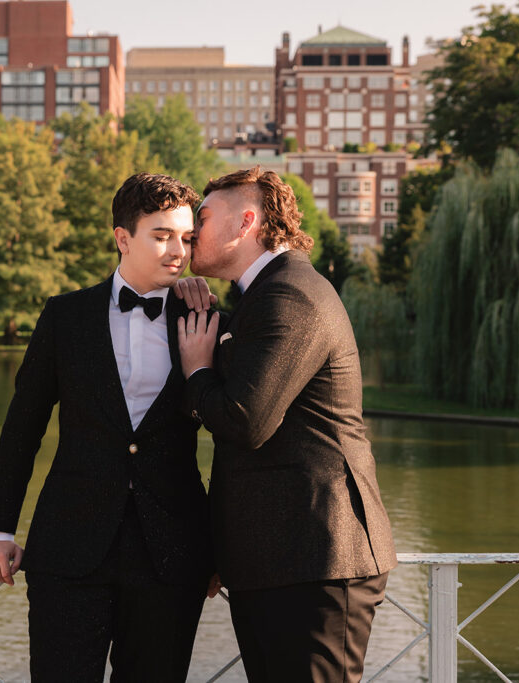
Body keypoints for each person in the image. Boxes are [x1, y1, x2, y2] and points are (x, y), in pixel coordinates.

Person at [0, 172, 213, 682]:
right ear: (122, 237)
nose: (178, 250)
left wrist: (220, 545)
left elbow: (236, 435)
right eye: (162, 235)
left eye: (187, 238)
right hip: (68, 552)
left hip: (172, 555)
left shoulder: (206, 316)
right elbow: (23, 427)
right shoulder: (64, 317)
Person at [176, 167, 397, 682]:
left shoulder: (290, 294)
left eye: (203, 219)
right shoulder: (261, 297)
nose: (191, 234)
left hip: (318, 558)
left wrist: (197, 369)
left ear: (246, 222)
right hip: (282, 561)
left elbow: (245, 419)